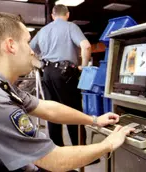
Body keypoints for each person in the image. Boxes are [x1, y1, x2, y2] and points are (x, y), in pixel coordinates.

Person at [0, 12, 135, 172]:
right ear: (11, 45)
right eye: (27, 42)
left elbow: (48, 108)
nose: (32, 51)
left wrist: (94, 120)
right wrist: (109, 144)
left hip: (49, 75)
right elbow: (54, 160)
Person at [30, 4, 91, 147]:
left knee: (52, 112)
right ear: (67, 14)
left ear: (52, 15)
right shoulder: (70, 26)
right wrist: (84, 66)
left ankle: (57, 148)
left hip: (48, 74)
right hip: (66, 74)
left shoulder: (43, 31)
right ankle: (80, 149)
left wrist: (41, 65)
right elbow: (86, 46)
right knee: (74, 110)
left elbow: (29, 51)